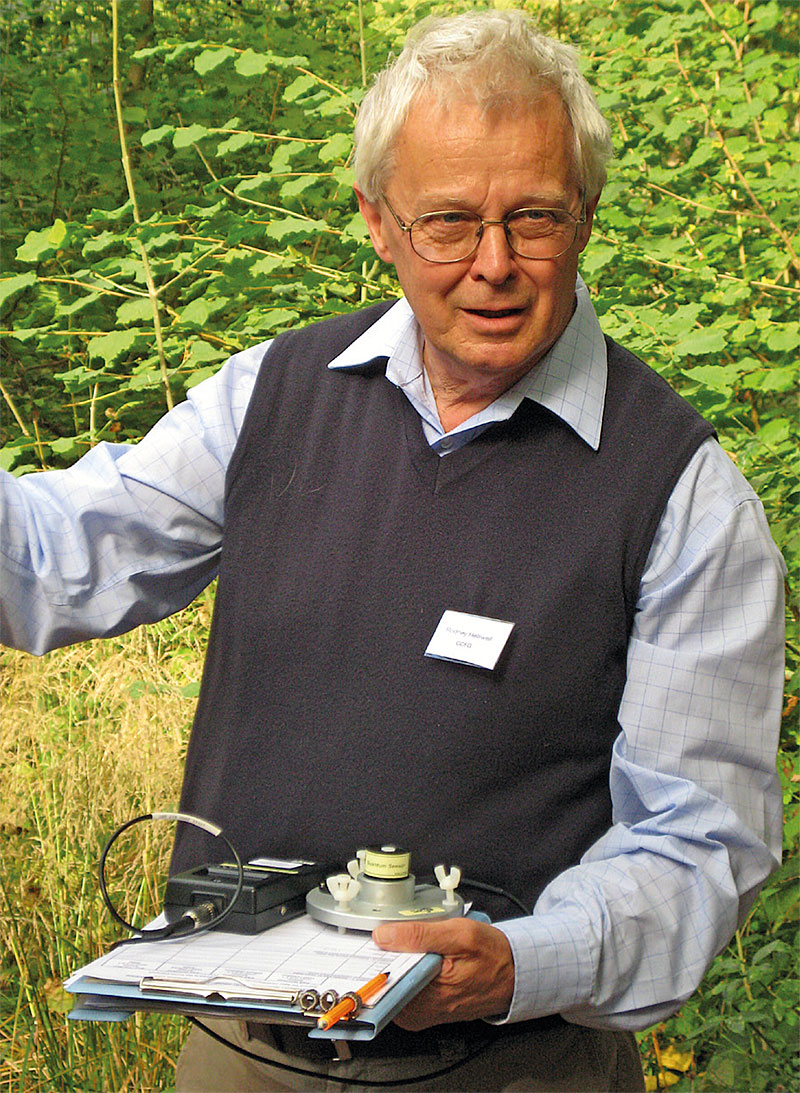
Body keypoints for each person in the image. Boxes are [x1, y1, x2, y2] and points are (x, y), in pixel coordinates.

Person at [0, 10, 785, 1093]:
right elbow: (56, 554)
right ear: (376, 220)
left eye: (534, 218)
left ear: (587, 216)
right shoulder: (272, 399)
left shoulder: (680, 496)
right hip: (241, 1058)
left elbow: (700, 844)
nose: (492, 265)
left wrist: (519, 962)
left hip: (512, 1064)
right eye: (448, 222)